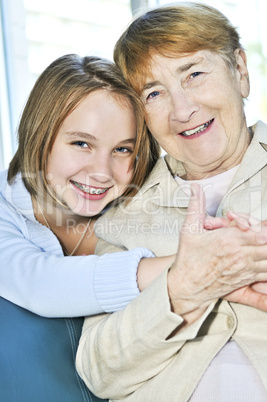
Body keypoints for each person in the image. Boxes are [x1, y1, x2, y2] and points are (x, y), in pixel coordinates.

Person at [76, 3, 267, 401]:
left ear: (240, 71)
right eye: (154, 93)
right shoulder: (121, 217)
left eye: (194, 74)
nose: (182, 110)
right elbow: (98, 370)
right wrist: (182, 289)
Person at [0, 53, 179, 401]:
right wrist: (192, 268)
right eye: (81, 143)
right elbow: (37, 282)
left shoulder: (145, 206)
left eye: (122, 150)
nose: (101, 171)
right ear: (42, 136)